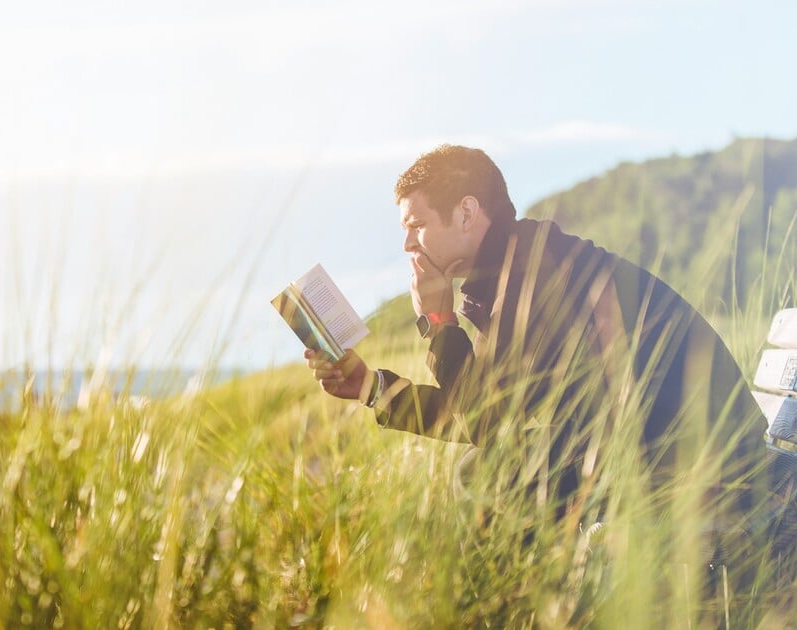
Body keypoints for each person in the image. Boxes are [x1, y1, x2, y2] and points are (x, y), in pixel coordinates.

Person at [304, 144, 768, 561]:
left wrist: (441, 322)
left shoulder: (534, 276)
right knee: (492, 468)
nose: (407, 245)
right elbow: (488, 410)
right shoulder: (515, 267)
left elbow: (482, 420)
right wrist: (369, 386)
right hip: (669, 451)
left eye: (417, 225)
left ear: (467, 213)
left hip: (707, 469)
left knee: (487, 474)